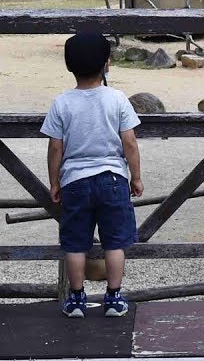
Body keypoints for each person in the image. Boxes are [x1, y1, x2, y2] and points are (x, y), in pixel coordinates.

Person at [43, 31, 143, 318]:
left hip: (74, 181)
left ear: (68, 66)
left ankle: (76, 300)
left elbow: (55, 148)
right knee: (115, 242)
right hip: (113, 179)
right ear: (107, 64)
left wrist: (54, 181)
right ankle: (113, 298)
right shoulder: (117, 99)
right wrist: (135, 177)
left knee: (75, 244)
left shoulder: (62, 102)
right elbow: (130, 143)